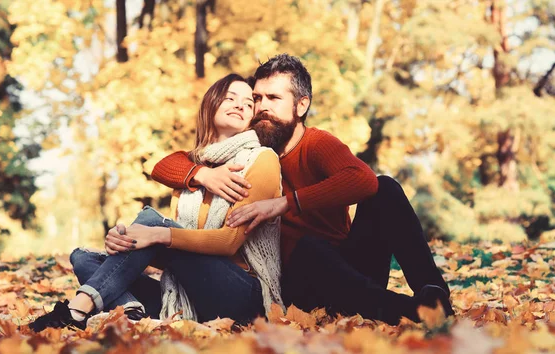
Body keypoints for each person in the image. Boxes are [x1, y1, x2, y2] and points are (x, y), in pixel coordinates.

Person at [150, 54, 455, 325]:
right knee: (306, 249)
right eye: (257, 98)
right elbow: (165, 163)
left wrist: (286, 203)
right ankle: (411, 311)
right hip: (296, 286)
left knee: (386, 189)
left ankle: (434, 295)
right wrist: (201, 173)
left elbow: (365, 181)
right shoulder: (247, 147)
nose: (261, 107)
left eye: (273, 98)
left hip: (351, 268)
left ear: (301, 105)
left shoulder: (316, 144)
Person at [29, 74, 284, 332]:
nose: (240, 105)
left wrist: (157, 235)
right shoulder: (194, 168)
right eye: (230, 98)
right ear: (211, 104)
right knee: (83, 258)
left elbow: (229, 242)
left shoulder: (261, 159)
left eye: (248, 103)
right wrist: (129, 243)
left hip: (243, 297)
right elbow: (159, 168)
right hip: (193, 295)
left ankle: (76, 310)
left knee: (152, 223)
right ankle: (132, 316)